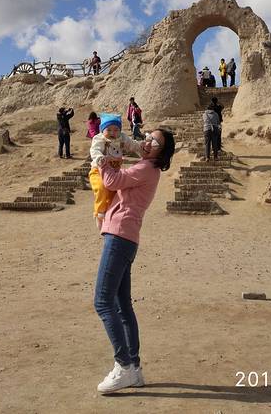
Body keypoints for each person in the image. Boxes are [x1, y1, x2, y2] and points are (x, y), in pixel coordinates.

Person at [94, 127, 176, 394]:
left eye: (155, 140)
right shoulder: (146, 167)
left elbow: (113, 182)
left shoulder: (147, 169)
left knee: (103, 302)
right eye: (149, 136)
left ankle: (124, 366)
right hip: (126, 238)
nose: (148, 140)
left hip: (120, 237)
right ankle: (135, 369)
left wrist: (101, 160)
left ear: (161, 151)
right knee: (121, 306)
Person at [89, 114, 143, 229]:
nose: (113, 132)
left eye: (116, 129)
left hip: (114, 172)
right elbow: (95, 149)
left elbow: (132, 145)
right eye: (109, 130)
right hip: (97, 171)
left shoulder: (122, 138)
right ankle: (99, 214)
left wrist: (141, 147)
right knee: (101, 188)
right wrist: (99, 157)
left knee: (115, 194)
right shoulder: (100, 138)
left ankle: (109, 215)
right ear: (102, 130)